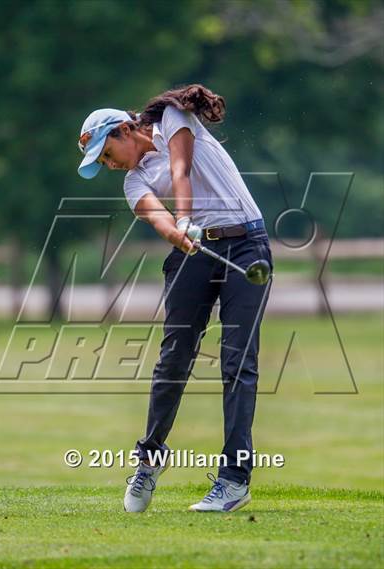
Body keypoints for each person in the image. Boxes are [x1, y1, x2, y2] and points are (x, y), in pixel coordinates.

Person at [77, 84, 274, 513]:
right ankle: (148, 458)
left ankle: (234, 480)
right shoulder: (134, 182)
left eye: (107, 154)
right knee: (174, 358)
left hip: (246, 244)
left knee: (238, 363)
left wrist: (185, 218)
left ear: (125, 130)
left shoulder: (173, 120)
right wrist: (179, 234)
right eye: (102, 163)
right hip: (198, 250)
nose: (109, 166)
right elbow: (159, 220)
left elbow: (181, 170)